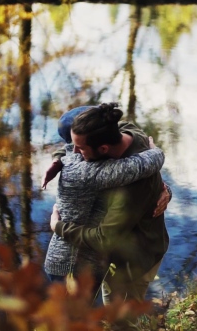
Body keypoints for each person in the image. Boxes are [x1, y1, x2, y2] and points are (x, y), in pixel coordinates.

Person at [50, 103, 170, 306]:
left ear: (103, 148)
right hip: (110, 252)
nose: (75, 154)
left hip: (132, 262)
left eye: (80, 149)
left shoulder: (130, 186)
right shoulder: (123, 132)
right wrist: (58, 159)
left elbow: (103, 238)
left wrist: (58, 226)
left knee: (121, 320)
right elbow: (72, 144)